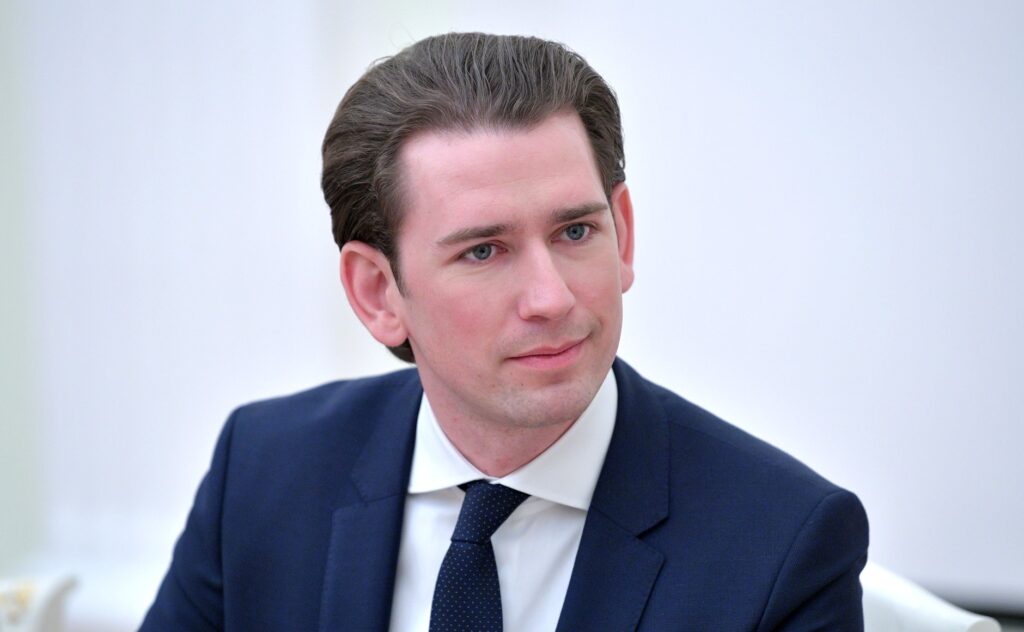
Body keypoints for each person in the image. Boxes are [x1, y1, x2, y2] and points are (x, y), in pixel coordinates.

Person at [141, 32, 868, 631]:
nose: (552, 298)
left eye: (576, 231)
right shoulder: (263, 472)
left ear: (623, 234)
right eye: (484, 251)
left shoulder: (783, 543)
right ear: (378, 292)